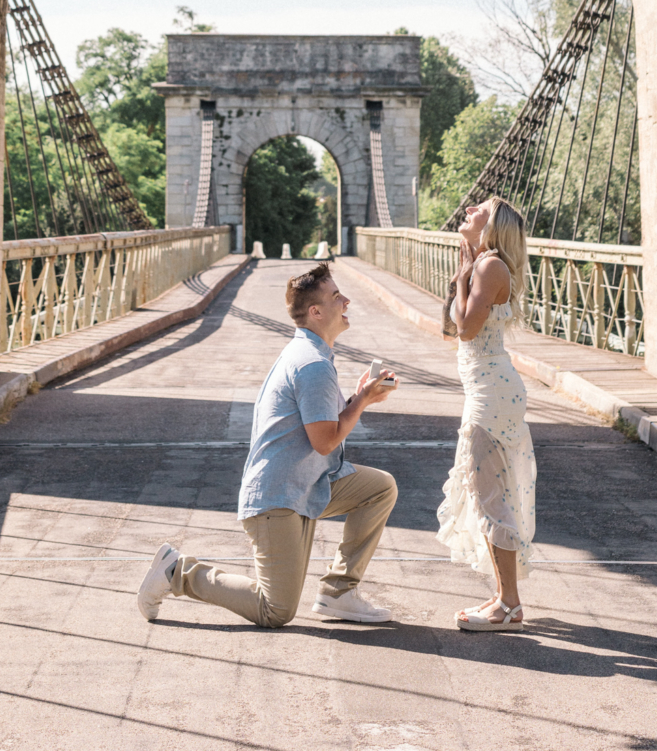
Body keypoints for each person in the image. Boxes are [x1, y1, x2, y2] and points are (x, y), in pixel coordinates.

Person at [136, 263, 401, 627]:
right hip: (277, 499)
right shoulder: (312, 364)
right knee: (274, 610)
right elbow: (324, 442)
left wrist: (357, 396)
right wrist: (363, 401)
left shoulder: (310, 354)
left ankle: (339, 593)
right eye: (337, 296)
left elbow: (321, 423)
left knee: (379, 488)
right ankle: (178, 572)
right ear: (316, 311)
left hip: (307, 486)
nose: (347, 300)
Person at [437, 197, 538, 631]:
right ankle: (502, 597)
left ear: (491, 223)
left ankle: (509, 606)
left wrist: (465, 278)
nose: (468, 210)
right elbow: (448, 327)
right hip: (487, 391)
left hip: (491, 395)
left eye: (477, 208)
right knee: (489, 493)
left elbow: (465, 328)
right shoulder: (483, 264)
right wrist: (462, 276)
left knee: (490, 497)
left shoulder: (490, 266)